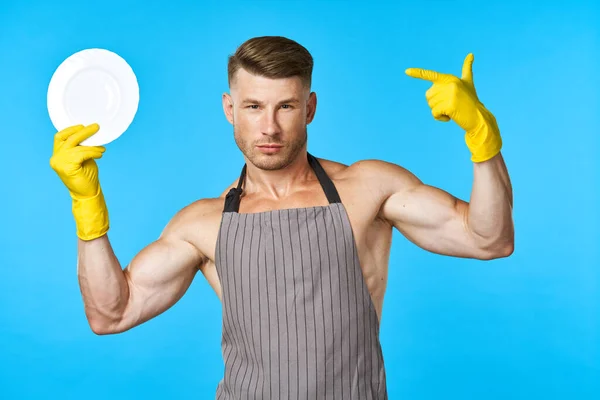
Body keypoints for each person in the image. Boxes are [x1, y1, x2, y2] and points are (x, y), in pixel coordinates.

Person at [49, 36, 514, 399]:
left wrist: (482, 137)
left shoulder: (369, 188)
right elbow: (111, 312)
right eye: (253, 107)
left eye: (285, 106)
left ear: (309, 108)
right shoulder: (202, 224)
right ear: (230, 110)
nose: (269, 127)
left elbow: (488, 239)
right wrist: (86, 206)